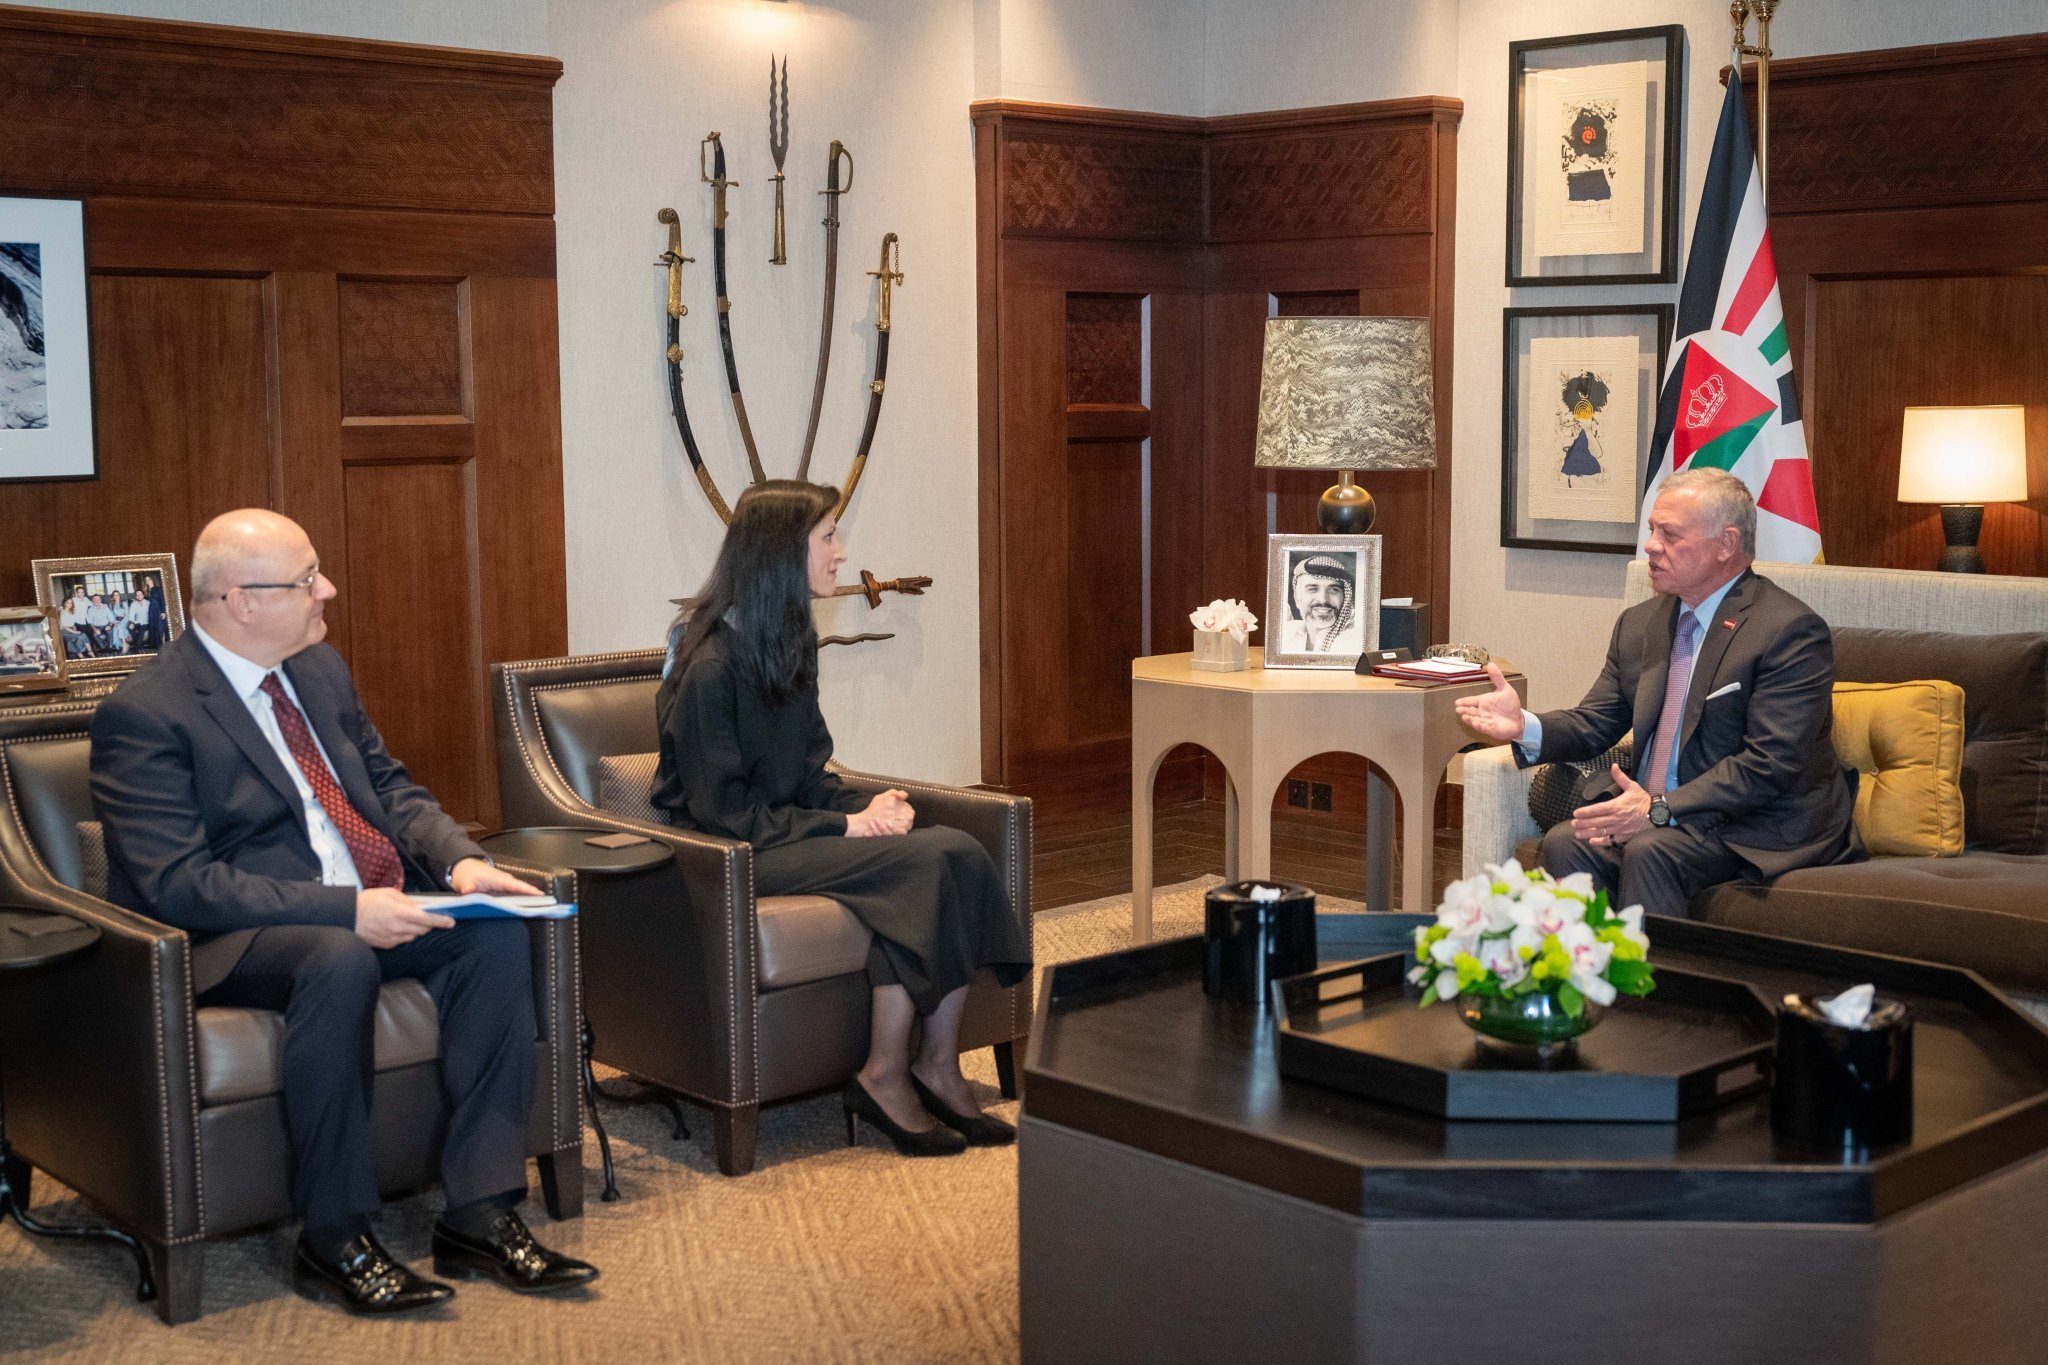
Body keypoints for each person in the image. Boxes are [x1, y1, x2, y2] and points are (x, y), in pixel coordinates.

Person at [89, 508, 598, 1315]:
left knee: (492, 935)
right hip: (236, 935)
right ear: (240, 600)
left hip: (368, 898)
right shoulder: (147, 711)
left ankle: (480, 1211)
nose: (327, 589)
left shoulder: (318, 670)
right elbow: (177, 882)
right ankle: (334, 1235)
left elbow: (388, 786)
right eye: (305, 580)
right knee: (338, 954)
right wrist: (343, 909)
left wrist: (461, 861)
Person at [652, 480, 1032, 1157]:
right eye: (828, 536)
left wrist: (867, 808)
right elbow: (727, 818)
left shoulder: (788, 644)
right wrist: (845, 828)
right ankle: (884, 1075)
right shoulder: (708, 668)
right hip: (730, 858)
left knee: (955, 849)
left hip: (783, 835)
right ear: (781, 552)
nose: (841, 551)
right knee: (925, 862)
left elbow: (810, 775)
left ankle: (935, 1065)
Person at [1454, 467, 1861, 918]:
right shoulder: (1641, 623)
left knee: (1652, 851)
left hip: (1753, 823)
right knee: (1567, 841)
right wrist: (1523, 726)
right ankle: (1579, 965)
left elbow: (1770, 763)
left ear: (1726, 544)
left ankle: (1652, 968)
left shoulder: (1787, 630)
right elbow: (1595, 722)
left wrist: (1658, 809)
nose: (1650, 545)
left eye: (1669, 534)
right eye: (1651, 530)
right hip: (1661, 815)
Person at [1276, 552, 1362, 655]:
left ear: (1345, 598)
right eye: (1313, 589)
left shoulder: (1355, 642)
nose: (1323, 599)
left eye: (1334, 589)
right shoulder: (1284, 634)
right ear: (1297, 598)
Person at [58, 587, 92, 658]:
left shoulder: (85, 599)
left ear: (84, 593)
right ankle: (81, 655)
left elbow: (92, 604)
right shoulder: (72, 601)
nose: (81, 594)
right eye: (79, 592)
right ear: (76, 593)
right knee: (80, 637)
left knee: (83, 635)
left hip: (81, 622)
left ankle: (89, 652)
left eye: (82, 592)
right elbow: (64, 626)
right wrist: (75, 632)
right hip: (66, 630)